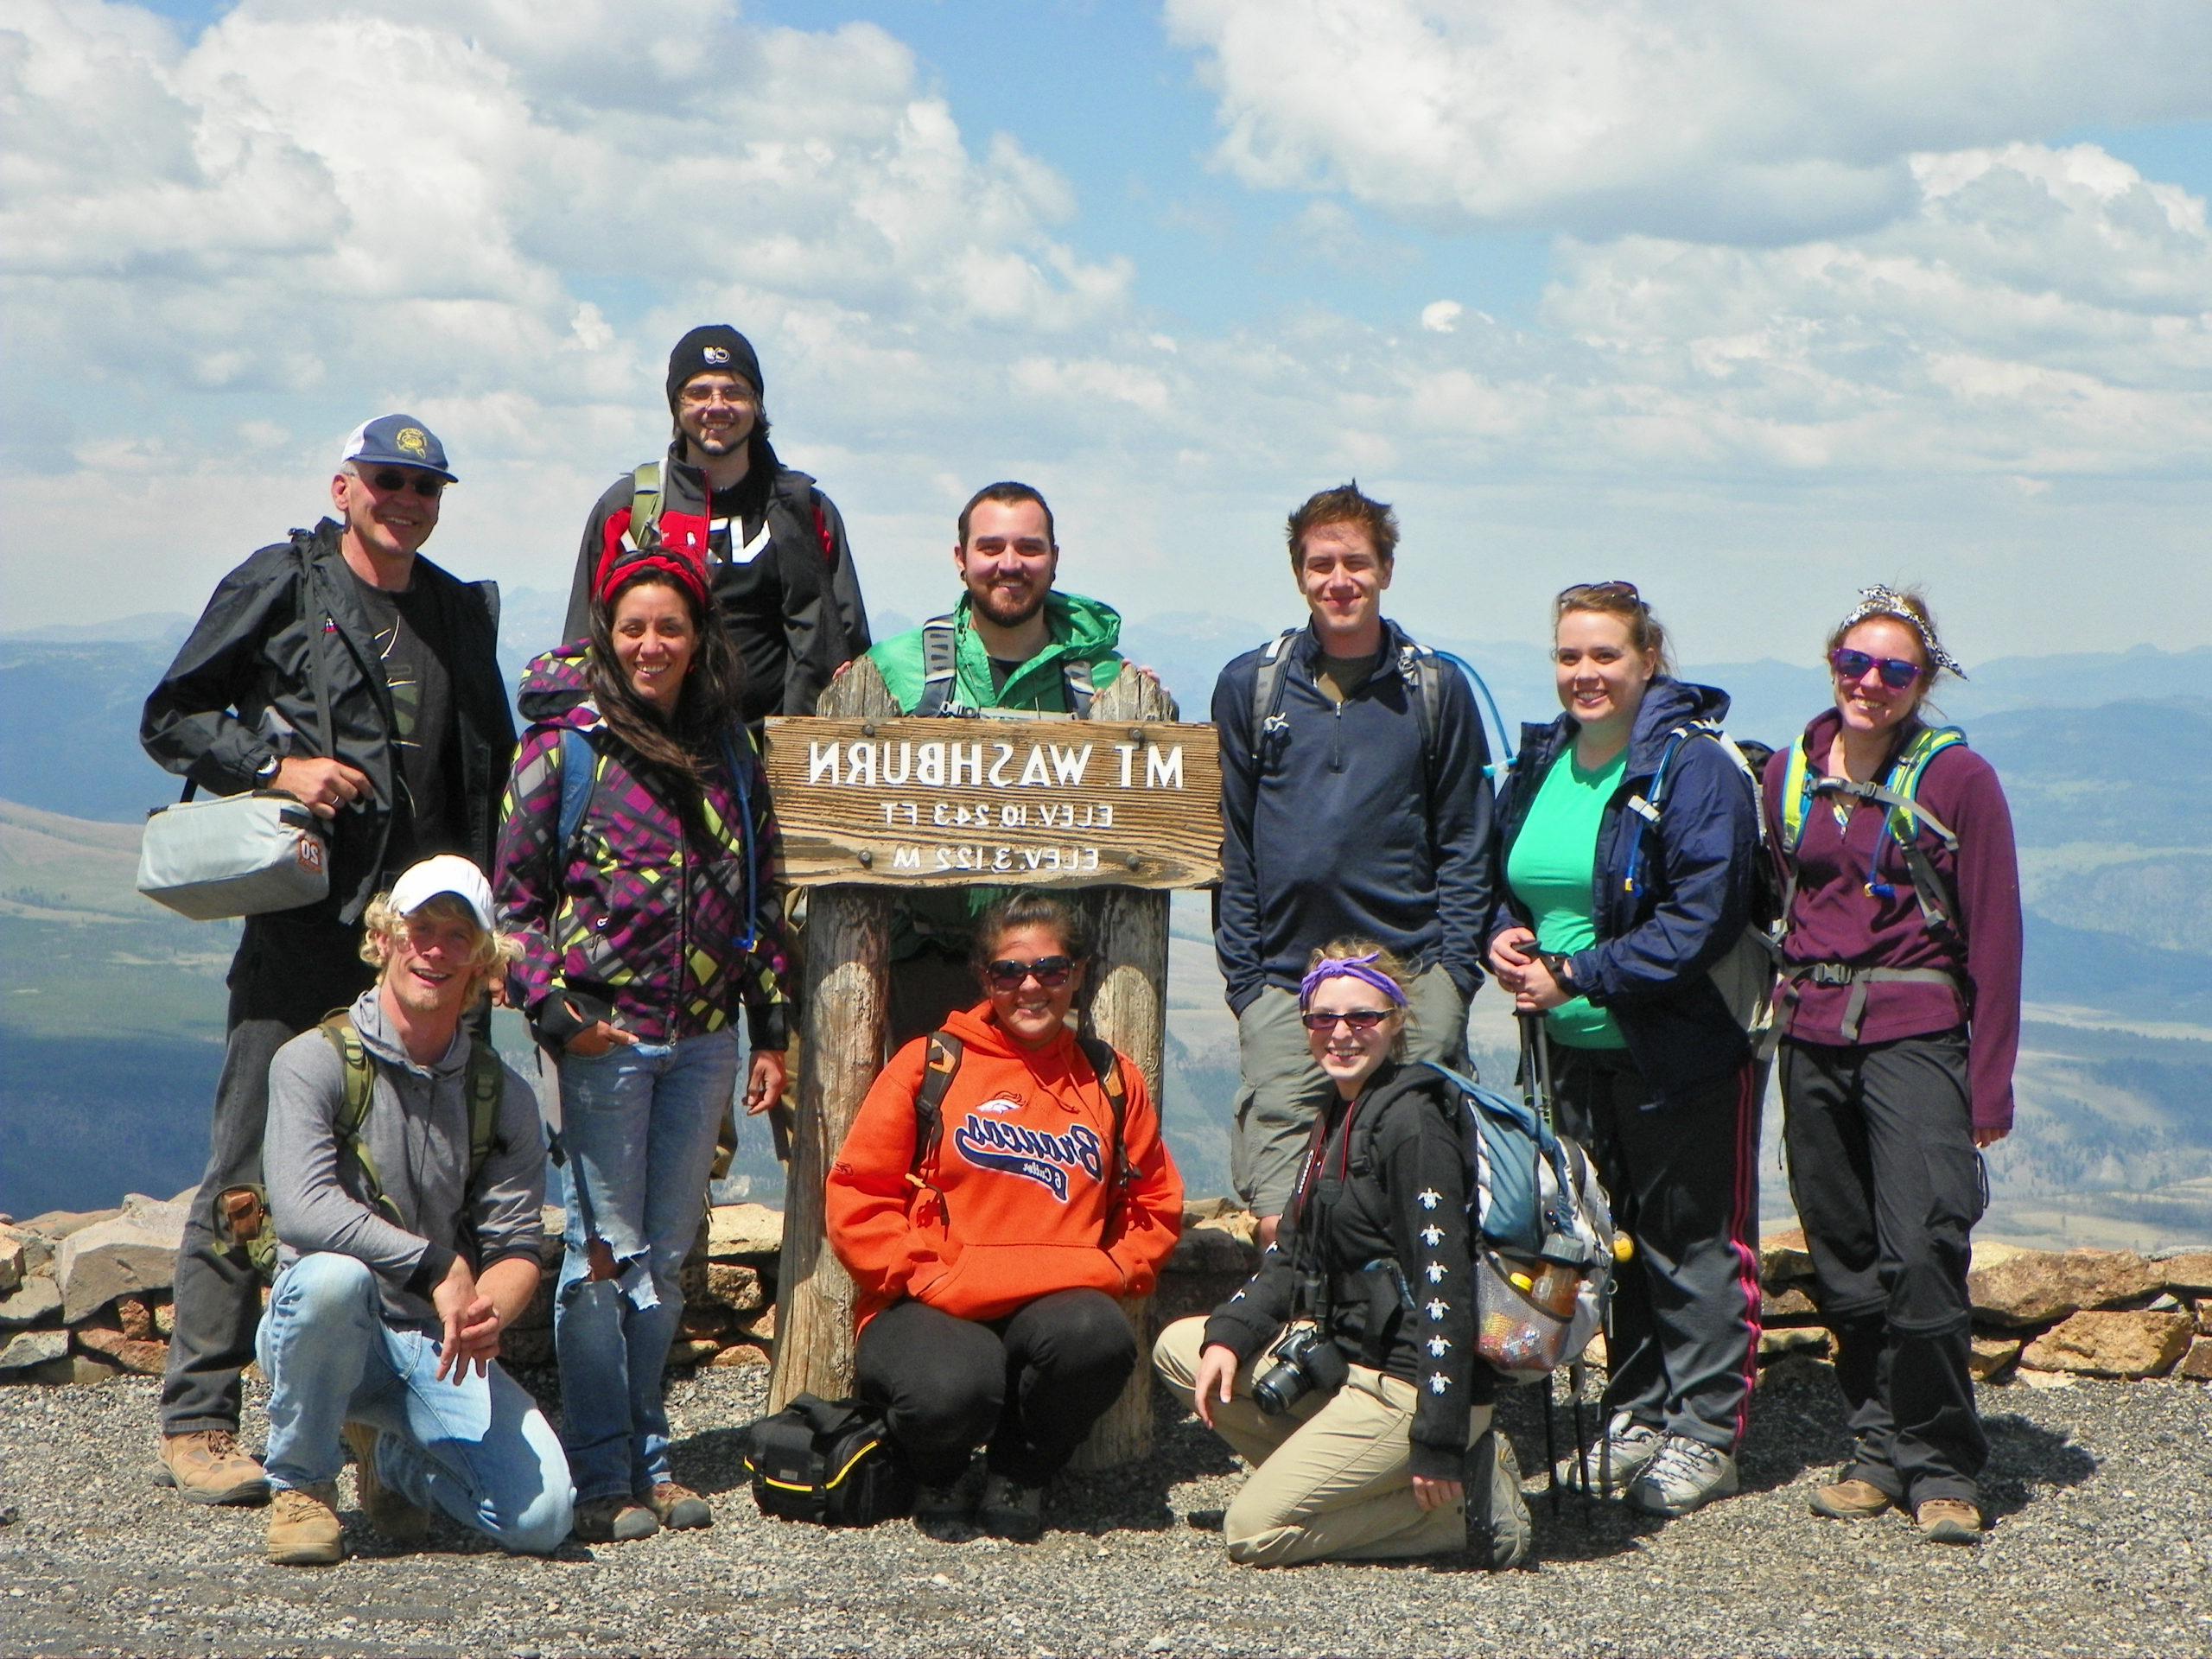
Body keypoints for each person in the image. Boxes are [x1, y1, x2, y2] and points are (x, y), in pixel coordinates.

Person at [141, 416, 517, 1505]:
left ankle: (374, 1417)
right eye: (390, 480)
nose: (409, 499)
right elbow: (172, 716)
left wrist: (488, 934)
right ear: (345, 486)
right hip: (306, 927)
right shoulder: (284, 582)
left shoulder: (453, 609)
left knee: (422, 1172)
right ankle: (199, 1419)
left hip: (423, 946)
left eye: (427, 486)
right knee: (250, 1159)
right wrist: (275, 762)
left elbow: (481, 772)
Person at [495, 538, 791, 1544]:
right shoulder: (565, 748)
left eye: (671, 626)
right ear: (606, 639)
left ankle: (652, 1459)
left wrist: (773, 1028)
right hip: (600, 1042)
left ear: (698, 635)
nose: (652, 644)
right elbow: (515, 902)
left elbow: (756, 899)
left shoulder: (729, 748)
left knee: (663, 1254)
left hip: (706, 1035)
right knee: (595, 1259)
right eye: (634, 629)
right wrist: (550, 1008)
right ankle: (602, 1470)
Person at [1485, 582, 1764, 1518]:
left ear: (1649, 661)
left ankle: (1707, 1432)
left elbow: (1701, 919)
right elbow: (1508, 881)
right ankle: (1640, 1410)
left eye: (1605, 655)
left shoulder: (1694, 771)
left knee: (1691, 1240)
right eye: (1569, 656)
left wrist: (1576, 974)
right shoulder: (1541, 761)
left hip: (1678, 1046)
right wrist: (1504, 937)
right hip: (1572, 1053)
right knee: (1615, 1243)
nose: (1584, 673)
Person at [1764, 586, 2021, 1546]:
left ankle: (1943, 1464)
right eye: (1854, 664)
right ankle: (1876, 1448)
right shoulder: (1791, 768)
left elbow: (1995, 935)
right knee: (1844, 1257)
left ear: (1924, 681)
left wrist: (1987, 1086)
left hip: (1914, 1031)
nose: (1869, 683)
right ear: (1832, 665)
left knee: (1922, 1248)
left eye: (1895, 670)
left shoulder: (1960, 782)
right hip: (1810, 1033)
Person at [1154, 942, 1527, 1568]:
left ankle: (1461, 1506)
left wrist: (1437, 1436)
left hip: (1408, 1385)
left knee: (1252, 1531)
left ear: (1397, 1021)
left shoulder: (1414, 1127)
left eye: (1363, 1017)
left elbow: (1446, 1291)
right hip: (1349, 1365)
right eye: (1323, 1018)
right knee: (1185, 1350)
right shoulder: (1339, 1113)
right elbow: (1294, 1255)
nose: (1342, 1033)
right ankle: (1348, 1481)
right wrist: (1232, 1334)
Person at [824, 893, 1184, 1542]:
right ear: (983, 977)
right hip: (932, 1301)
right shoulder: (933, 1063)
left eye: (1050, 969)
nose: (1030, 987)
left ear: (1077, 973)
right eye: (1008, 972)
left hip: (1053, 1298)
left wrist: (1115, 1268)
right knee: (951, 1388)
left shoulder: (1108, 1078)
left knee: (1097, 1338)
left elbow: (1154, 1201)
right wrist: (921, 1275)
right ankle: (937, 1469)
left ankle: (1022, 1471)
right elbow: (859, 1194)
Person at [257, 855, 570, 1565]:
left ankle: (390, 1457)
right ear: (386, 939)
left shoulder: (502, 1095)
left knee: (543, 1521)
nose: (434, 949)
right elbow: (303, 1212)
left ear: (483, 962)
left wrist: (485, 1311)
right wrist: (438, 1265)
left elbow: (518, 1242)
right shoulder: (311, 1061)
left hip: (432, 1343)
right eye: (419, 928)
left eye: (458, 935)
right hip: (328, 1331)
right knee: (335, 1279)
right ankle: (302, 1487)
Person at [1212, 483, 1493, 1250]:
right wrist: (1247, 983)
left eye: (1357, 563)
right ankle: (1294, 1344)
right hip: (1285, 978)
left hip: (1411, 972)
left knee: (1417, 1187)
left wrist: (1455, 974)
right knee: (1280, 1204)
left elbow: (1468, 837)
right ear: (1299, 573)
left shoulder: (1434, 688)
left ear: (1387, 570)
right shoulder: (1253, 684)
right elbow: (1233, 841)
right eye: (1321, 563)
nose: (1340, 580)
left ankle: (1398, 1363)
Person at [864, 480, 1163, 1044]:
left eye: (1029, 548)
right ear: (961, 559)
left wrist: (1149, 718)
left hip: (1054, 976)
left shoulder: (1101, 679)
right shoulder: (896, 669)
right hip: (927, 965)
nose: (1010, 564)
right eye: (990, 547)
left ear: (1054, 560)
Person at [566, 324, 869, 725]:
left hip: (776, 761)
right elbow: (582, 644)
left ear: (757, 404)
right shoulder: (626, 510)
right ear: (676, 405)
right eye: (698, 392)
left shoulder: (805, 513)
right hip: (647, 755)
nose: (716, 406)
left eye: (734, 392)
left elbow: (845, 643)